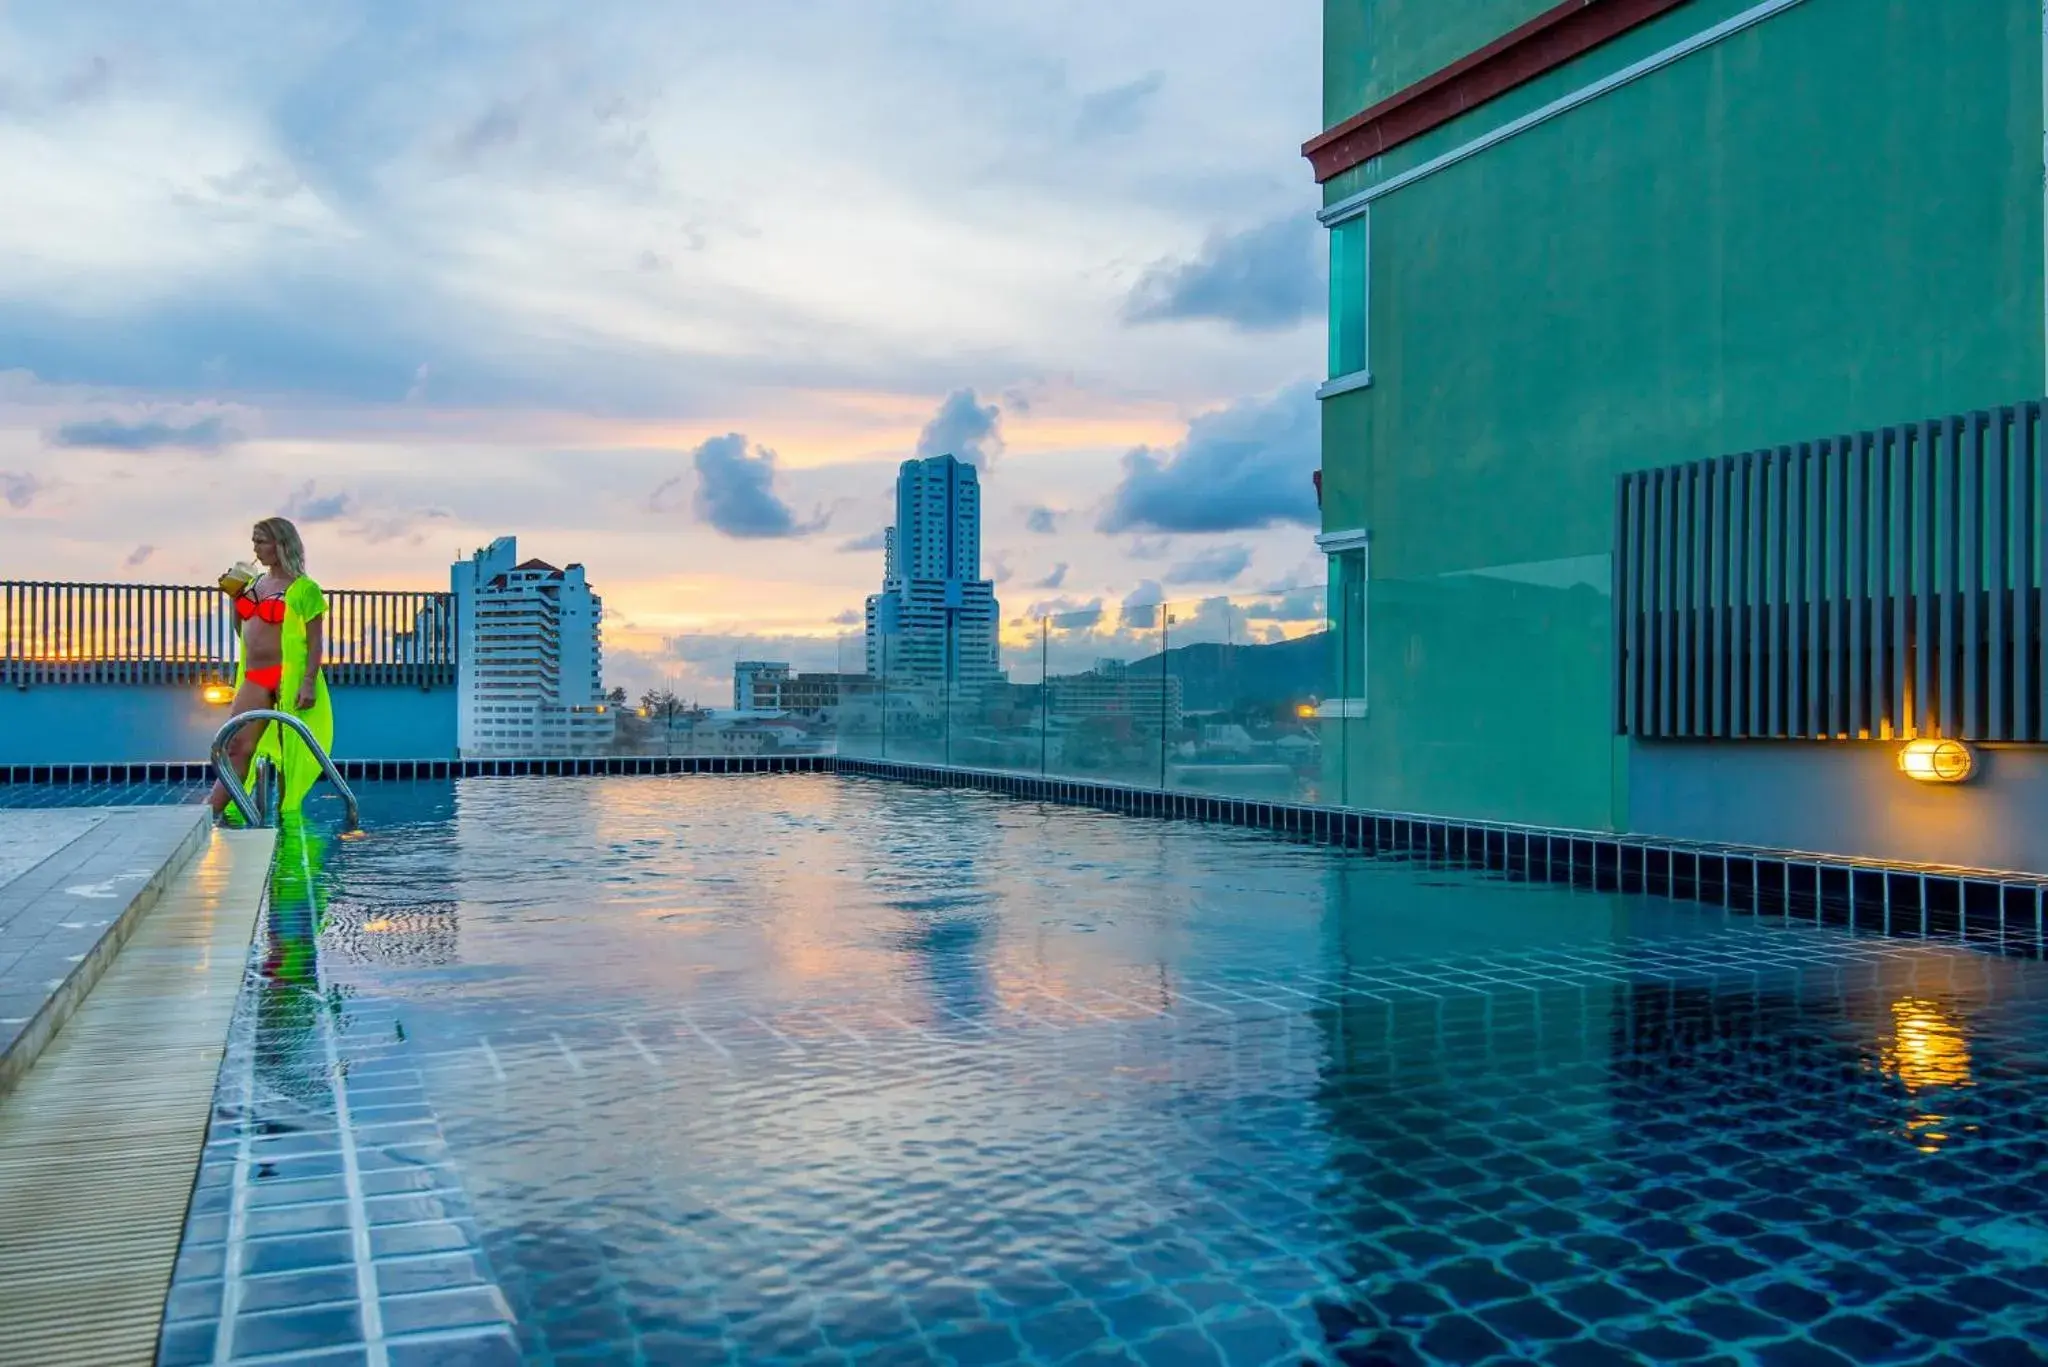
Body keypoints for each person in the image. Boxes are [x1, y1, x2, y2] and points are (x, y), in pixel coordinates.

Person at [207, 517, 335, 822]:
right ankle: (208, 813)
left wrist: (308, 681)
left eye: (261, 542)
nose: (255, 548)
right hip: (255, 676)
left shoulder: (305, 589)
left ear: (281, 544)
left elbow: (315, 643)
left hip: (289, 676)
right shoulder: (253, 584)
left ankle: (285, 822)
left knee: (290, 753)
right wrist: (236, 598)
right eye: (254, 542)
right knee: (236, 746)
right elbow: (243, 632)